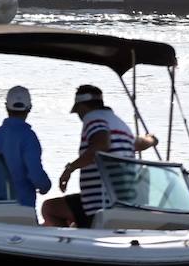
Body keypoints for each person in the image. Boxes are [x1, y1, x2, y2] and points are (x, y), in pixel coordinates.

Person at [41, 84, 159, 228]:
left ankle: (66, 246)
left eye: (78, 111)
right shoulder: (119, 123)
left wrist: (70, 169)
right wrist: (151, 139)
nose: (79, 116)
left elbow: (102, 143)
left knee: (49, 208)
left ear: (82, 107)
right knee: (70, 214)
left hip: (100, 204)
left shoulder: (93, 118)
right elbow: (137, 143)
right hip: (124, 201)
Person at [0, 85, 52, 209]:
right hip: (23, 210)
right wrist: (45, 187)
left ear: (6, 107)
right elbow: (35, 174)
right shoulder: (29, 138)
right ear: (30, 108)